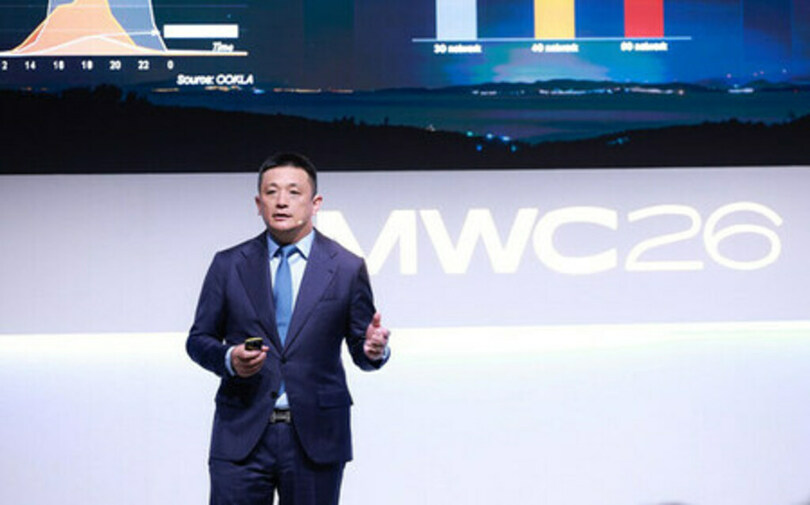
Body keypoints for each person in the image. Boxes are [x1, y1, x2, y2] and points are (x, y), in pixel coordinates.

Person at [186, 152, 390, 505]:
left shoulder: (346, 267)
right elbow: (198, 340)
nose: (281, 201)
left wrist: (375, 350)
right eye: (271, 192)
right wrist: (230, 359)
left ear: (315, 203)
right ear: (258, 204)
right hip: (241, 433)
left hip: (316, 436)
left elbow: (363, 349)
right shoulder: (228, 264)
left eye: (294, 192)